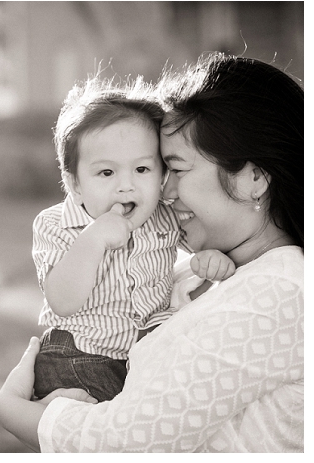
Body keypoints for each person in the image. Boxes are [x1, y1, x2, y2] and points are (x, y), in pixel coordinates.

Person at [0, 53, 304, 452]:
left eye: (176, 168)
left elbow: (132, 444)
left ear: (254, 178)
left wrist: (11, 409)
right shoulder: (200, 272)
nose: (165, 191)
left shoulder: (278, 294)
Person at [31, 77, 234, 403]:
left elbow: (201, 244)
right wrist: (93, 238)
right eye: (107, 173)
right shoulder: (58, 225)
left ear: (162, 175)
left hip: (137, 362)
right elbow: (62, 301)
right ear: (75, 184)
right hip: (78, 356)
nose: (126, 185)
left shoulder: (163, 216)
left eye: (142, 169)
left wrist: (210, 260)